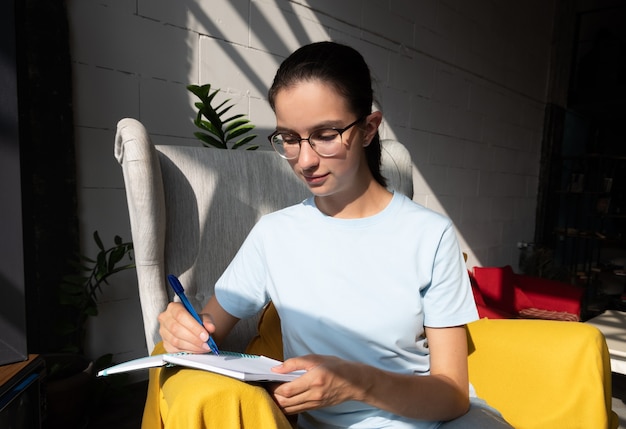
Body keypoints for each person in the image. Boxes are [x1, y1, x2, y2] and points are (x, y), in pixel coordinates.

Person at [157, 41, 513, 429]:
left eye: (325, 134)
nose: (305, 160)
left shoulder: (429, 235)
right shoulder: (275, 235)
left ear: (368, 129)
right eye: (289, 138)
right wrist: (184, 329)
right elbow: (209, 327)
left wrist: (356, 383)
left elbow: (452, 394)